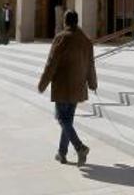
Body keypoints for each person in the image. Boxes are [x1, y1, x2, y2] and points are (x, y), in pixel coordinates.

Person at [37, 10, 96, 167]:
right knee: (68, 120)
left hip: (63, 86)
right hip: (78, 86)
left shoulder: (61, 37)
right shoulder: (86, 40)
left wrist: (43, 83)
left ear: (65, 21)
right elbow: (91, 64)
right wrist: (93, 83)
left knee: (62, 119)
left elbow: (51, 63)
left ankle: (79, 147)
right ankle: (62, 153)